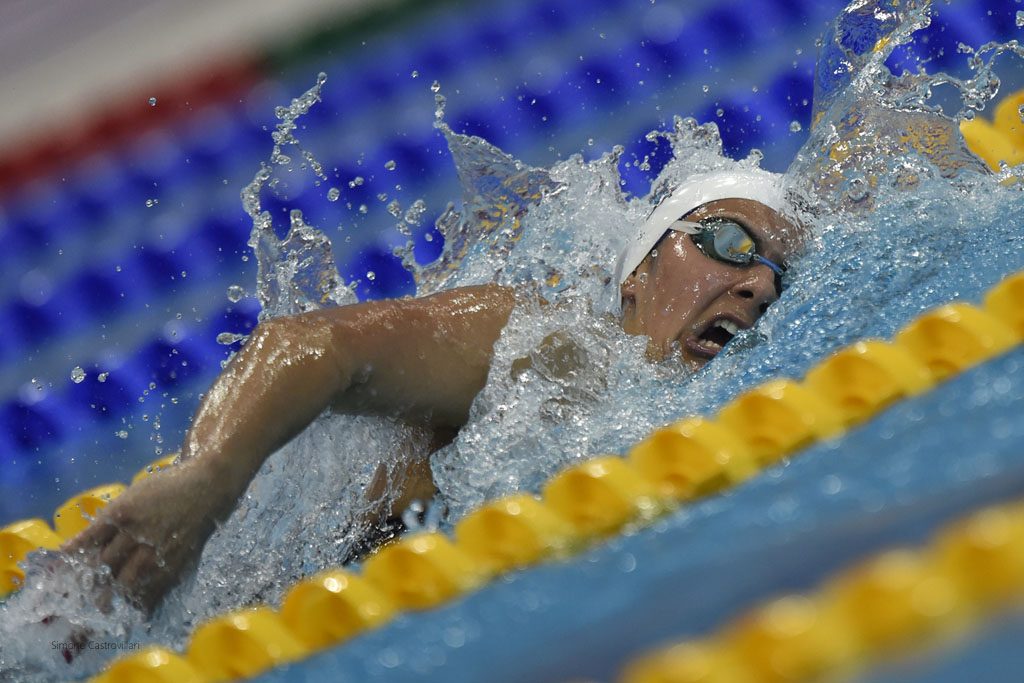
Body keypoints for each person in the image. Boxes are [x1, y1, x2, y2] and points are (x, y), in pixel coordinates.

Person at [62, 167, 804, 612]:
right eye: (731, 242)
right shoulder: (555, 350)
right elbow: (314, 343)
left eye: (776, 274)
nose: (756, 282)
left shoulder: (718, 411)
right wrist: (207, 482)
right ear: (639, 269)